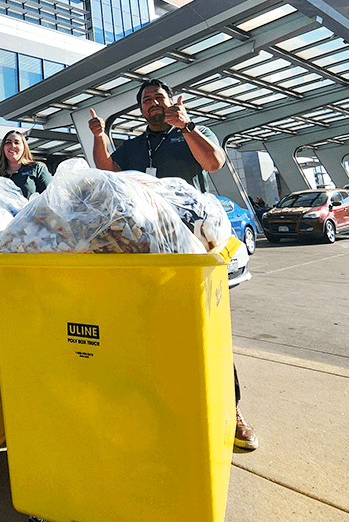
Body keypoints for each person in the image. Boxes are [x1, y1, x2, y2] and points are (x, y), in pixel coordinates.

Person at [88, 78, 259, 451]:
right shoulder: (134, 145)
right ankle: (158, 410)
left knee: (206, 329)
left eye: (159, 98)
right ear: (140, 109)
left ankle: (232, 413)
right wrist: (100, 136)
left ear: (172, 103)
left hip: (192, 248)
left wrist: (188, 125)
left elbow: (213, 162)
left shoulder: (189, 132)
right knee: (146, 329)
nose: (153, 104)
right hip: (144, 248)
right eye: (147, 100)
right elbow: (106, 171)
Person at [0, 130, 52, 199]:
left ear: (24, 147)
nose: (13, 146)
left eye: (16, 142)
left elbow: (51, 197)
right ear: (3, 148)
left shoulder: (37, 169)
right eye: (8, 142)